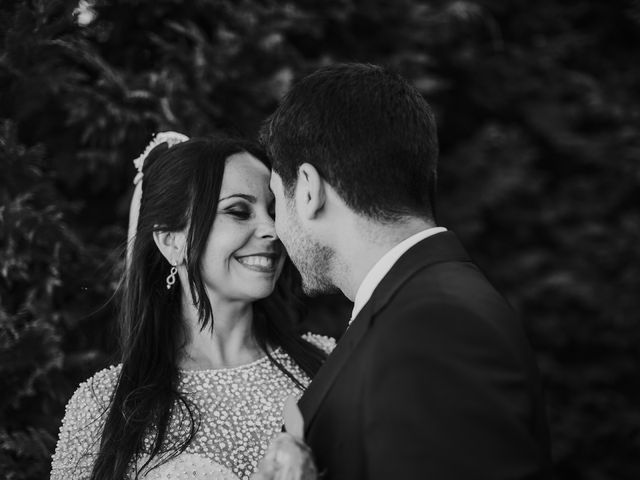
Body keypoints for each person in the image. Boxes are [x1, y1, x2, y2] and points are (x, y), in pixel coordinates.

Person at [254, 63, 552, 479]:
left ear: (308, 189)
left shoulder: (434, 325)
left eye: (274, 200)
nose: (274, 228)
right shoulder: (419, 306)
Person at [50, 133, 334, 480]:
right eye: (238, 211)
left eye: (274, 211)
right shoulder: (104, 405)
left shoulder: (327, 366)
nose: (272, 229)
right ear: (172, 241)